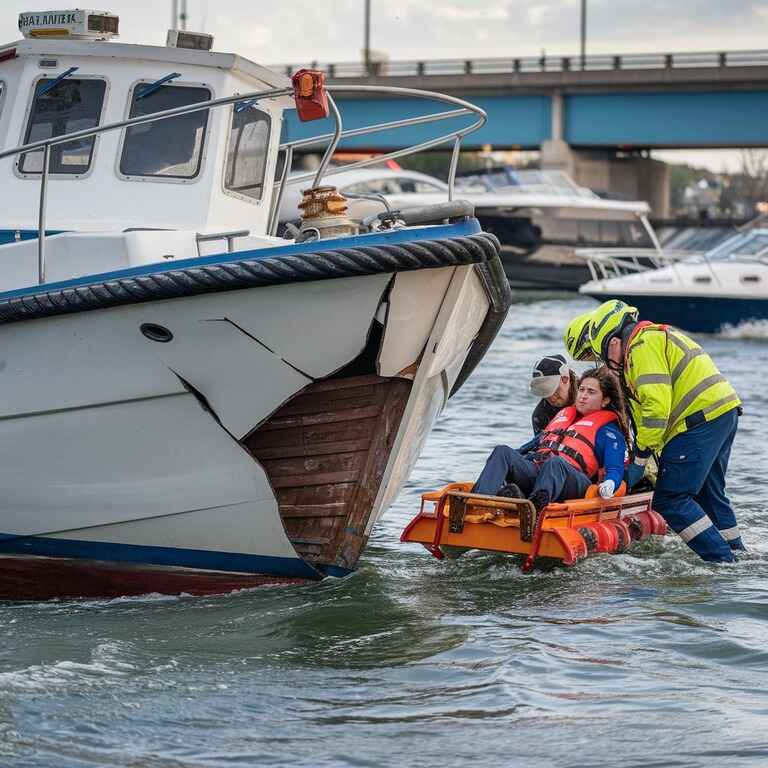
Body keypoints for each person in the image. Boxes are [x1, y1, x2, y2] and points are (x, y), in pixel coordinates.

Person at [585, 299, 744, 562]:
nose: (609, 365)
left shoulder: (641, 346)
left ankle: (721, 561)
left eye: (605, 355)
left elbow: (656, 408)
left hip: (698, 421)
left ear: (614, 342)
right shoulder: (657, 335)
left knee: (671, 500)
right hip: (722, 413)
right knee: (709, 493)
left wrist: (640, 456)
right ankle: (737, 555)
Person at [472, 367, 630, 514]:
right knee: (502, 451)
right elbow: (527, 447)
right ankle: (475, 503)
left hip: (574, 482)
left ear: (605, 400)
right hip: (540, 470)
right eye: (581, 390)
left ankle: (532, 511)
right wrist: (502, 468)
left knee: (555, 463)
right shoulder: (564, 418)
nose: (583, 396)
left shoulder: (609, 432)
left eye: (591, 392)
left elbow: (615, 469)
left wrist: (610, 483)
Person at [529, 354, 577, 434]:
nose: (551, 398)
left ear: (565, 379)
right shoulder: (540, 416)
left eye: (555, 390)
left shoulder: (591, 393)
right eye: (545, 391)